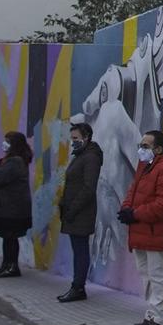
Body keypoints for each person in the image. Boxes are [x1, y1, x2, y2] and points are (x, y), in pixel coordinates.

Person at [117, 128, 163, 325]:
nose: (141, 149)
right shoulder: (146, 166)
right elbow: (133, 191)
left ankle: (161, 319)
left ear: (158, 149)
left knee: (158, 276)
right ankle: (152, 314)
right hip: (142, 230)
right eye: (140, 145)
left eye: (145, 146)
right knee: (147, 276)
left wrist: (135, 214)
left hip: (157, 231)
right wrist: (126, 209)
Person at [57, 118, 104, 304]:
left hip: (80, 211)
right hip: (74, 210)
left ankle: (78, 287)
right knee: (78, 249)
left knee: (81, 249)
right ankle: (77, 286)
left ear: (86, 137)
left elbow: (88, 187)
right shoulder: (80, 155)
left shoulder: (90, 157)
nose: (73, 141)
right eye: (72, 137)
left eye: (76, 137)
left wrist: (72, 208)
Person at [0, 132, 34, 278]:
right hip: (12, 208)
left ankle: (11, 266)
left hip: (12, 209)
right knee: (9, 237)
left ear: (14, 145)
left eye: (7, 141)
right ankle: (7, 265)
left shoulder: (15, 162)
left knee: (10, 237)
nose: (4, 144)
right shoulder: (15, 161)